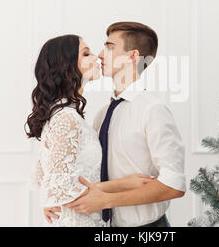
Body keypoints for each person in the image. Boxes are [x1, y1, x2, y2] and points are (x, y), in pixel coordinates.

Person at [49, 22, 186, 227]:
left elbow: (174, 185)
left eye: (110, 47)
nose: (101, 55)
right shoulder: (102, 114)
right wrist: (54, 198)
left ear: (132, 57)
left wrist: (108, 200)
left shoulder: (153, 110)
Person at [26, 34, 154, 227]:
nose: (96, 57)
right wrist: (126, 184)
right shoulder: (66, 118)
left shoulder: (66, 114)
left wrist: (50, 200)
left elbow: (45, 174)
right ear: (67, 66)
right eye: (86, 54)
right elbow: (59, 188)